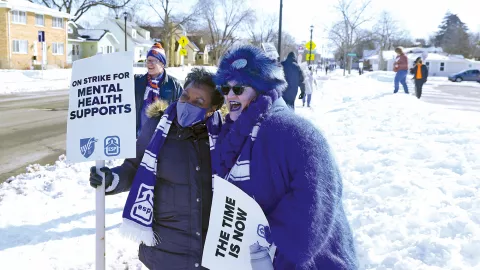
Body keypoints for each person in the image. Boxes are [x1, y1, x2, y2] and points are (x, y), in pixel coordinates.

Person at [212, 45, 358, 269]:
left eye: (239, 88)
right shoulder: (233, 134)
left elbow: (315, 205)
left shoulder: (294, 131)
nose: (230, 95)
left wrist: (267, 249)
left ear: (261, 89)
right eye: (225, 88)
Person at [89, 68, 224, 270]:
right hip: (165, 251)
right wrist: (112, 180)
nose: (188, 104)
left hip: (210, 251)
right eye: (185, 96)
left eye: (198, 102)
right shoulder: (158, 126)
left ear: (212, 109)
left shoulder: (224, 136)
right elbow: (134, 167)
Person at [134, 42, 183, 135]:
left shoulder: (174, 85)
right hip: (141, 135)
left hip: (164, 136)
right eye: (148, 60)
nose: (149, 64)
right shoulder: (137, 82)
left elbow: (182, 109)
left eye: (154, 61)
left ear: (162, 64)